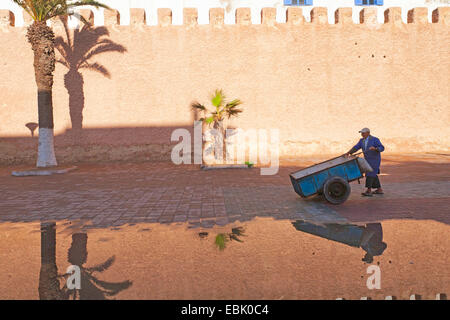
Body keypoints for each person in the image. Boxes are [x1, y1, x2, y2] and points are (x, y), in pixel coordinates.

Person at [346, 128, 385, 197]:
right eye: (361, 133)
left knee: (370, 173)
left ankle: (368, 191)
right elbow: (356, 147)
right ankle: (379, 189)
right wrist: (349, 152)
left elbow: (382, 147)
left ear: (368, 133)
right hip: (367, 159)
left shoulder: (375, 139)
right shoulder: (362, 141)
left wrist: (375, 149)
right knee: (373, 173)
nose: (362, 134)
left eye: (363, 133)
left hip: (375, 159)